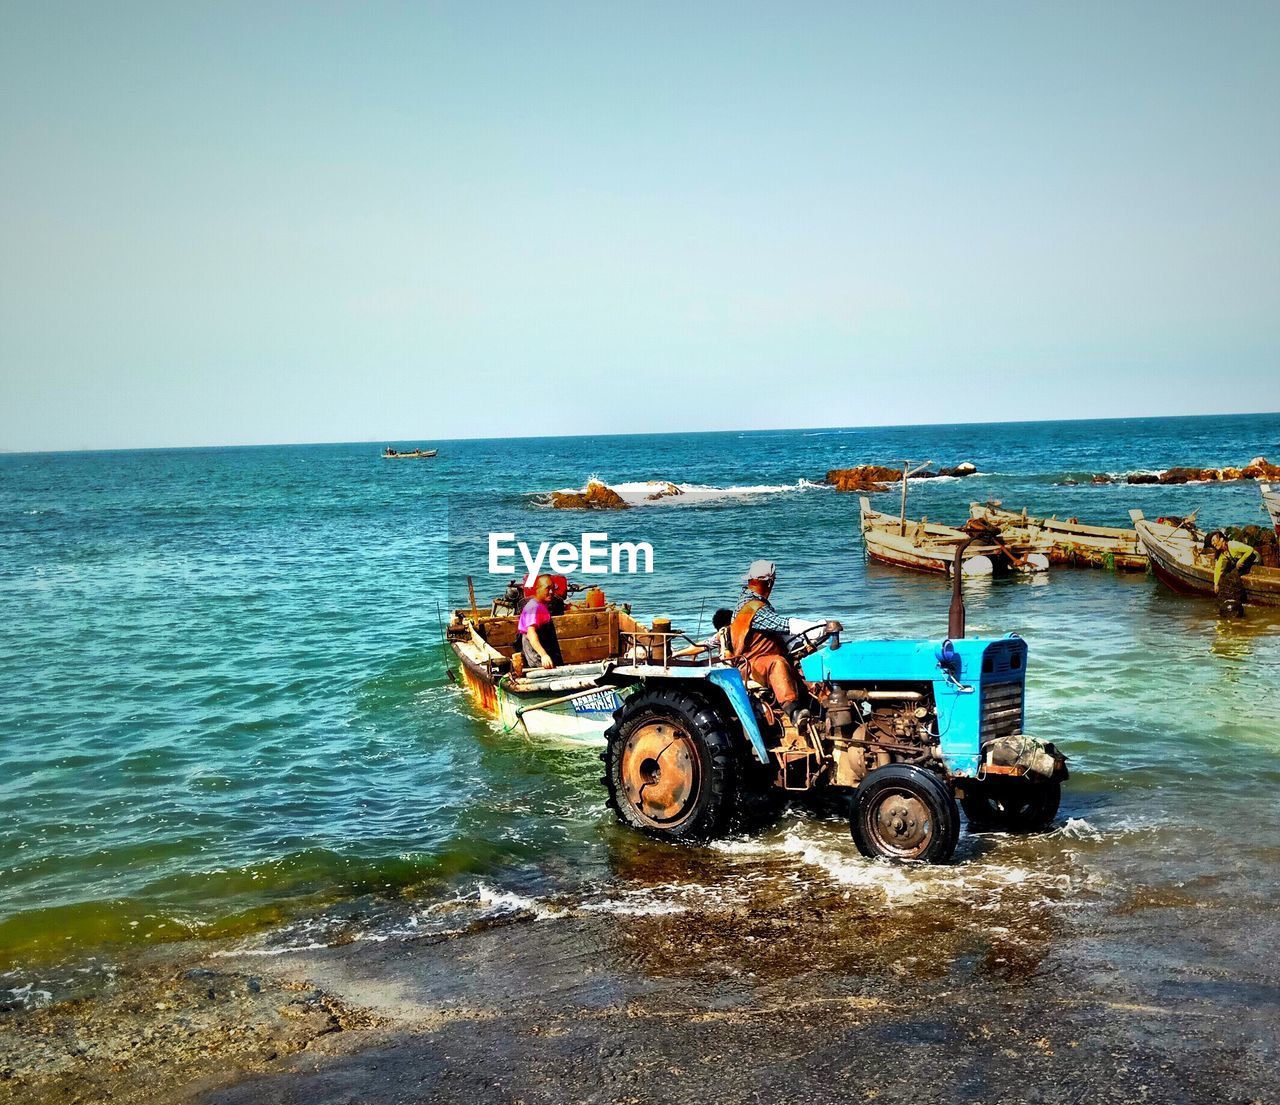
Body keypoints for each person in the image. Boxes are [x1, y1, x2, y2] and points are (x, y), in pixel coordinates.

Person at [729, 560, 811, 726]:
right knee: (777, 663)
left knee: (807, 665)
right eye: (772, 582)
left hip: (760, 658)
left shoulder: (754, 603)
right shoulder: (752, 608)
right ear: (768, 583)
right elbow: (781, 624)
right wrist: (819, 626)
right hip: (752, 663)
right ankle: (793, 710)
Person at [517, 574, 563, 670]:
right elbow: (531, 634)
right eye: (547, 589)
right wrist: (544, 655)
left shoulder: (541, 605)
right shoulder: (533, 607)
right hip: (537, 656)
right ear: (538, 589)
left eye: (553, 589)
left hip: (547, 650)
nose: (551, 592)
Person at [1205, 530, 1256, 616]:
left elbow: (1250, 549)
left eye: (1214, 540)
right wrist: (1216, 583)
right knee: (1228, 575)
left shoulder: (1233, 545)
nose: (1213, 544)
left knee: (1233, 575)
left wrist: (1241, 560)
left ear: (1221, 539)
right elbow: (1218, 568)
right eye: (1212, 543)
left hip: (1254, 560)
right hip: (1242, 564)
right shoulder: (1223, 553)